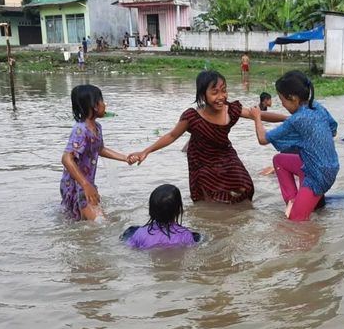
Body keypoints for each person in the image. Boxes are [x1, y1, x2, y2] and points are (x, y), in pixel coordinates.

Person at [129, 70, 286, 204]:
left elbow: (259, 115)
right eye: (214, 92)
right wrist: (146, 151)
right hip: (201, 162)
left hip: (226, 155)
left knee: (245, 187)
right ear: (203, 95)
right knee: (208, 199)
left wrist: (287, 118)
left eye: (223, 90)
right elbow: (171, 136)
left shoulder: (231, 109)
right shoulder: (192, 117)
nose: (221, 96)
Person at [249, 70, 339, 221]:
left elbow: (263, 139)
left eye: (283, 101)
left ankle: (297, 209)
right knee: (279, 160)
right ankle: (293, 200)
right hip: (330, 166)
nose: (283, 105)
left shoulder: (296, 121)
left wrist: (257, 117)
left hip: (318, 176)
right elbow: (333, 130)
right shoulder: (317, 107)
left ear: (294, 98)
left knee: (296, 225)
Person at [60, 85, 132, 221]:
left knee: (88, 220)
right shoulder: (80, 130)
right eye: (102, 101)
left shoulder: (97, 127)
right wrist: (86, 185)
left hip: (86, 182)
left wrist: (125, 158)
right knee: (101, 222)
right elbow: (66, 158)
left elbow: (99, 149)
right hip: (77, 184)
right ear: (94, 106)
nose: (105, 105)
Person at [121, 184, 201, 249]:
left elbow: (129, 248)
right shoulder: (185, 235)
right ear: (178, 210)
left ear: (151, 210)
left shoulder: (140, 234)